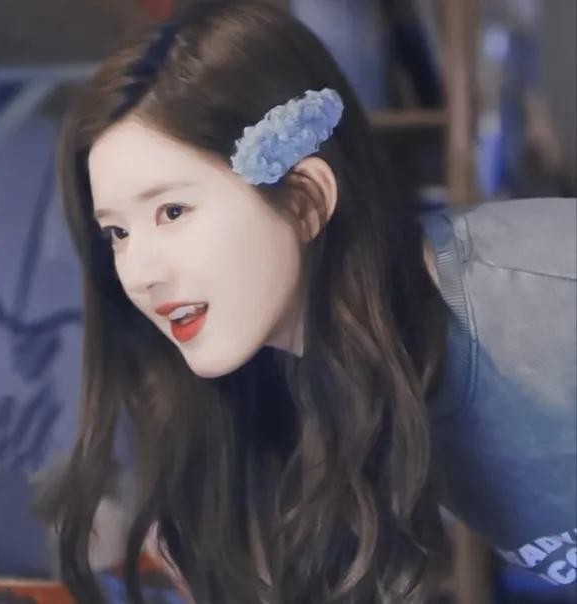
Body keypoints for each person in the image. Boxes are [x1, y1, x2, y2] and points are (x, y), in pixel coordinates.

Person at [48, 1, 577, 602]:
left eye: (173, 211)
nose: (139, 274)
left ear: (305, 199)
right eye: (117, 233)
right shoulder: (320, 378)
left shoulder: (549, 306)